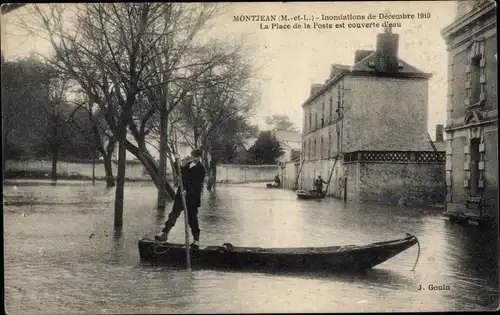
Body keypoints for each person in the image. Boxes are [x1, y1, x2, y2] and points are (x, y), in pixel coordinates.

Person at [155, 149, 206, 249]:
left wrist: (187, 191)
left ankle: (196, 240)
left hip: (192, 198)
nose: (195, 158)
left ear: (200, 157)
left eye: (198, 156)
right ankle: (164, 234)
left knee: (192, 219)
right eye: (194, 156)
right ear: (191, 156)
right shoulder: (188, 165)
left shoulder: (201, 169)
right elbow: (180, 173)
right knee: (173, 215)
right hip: (180, 196)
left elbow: (197, 185)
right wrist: (176, 161)